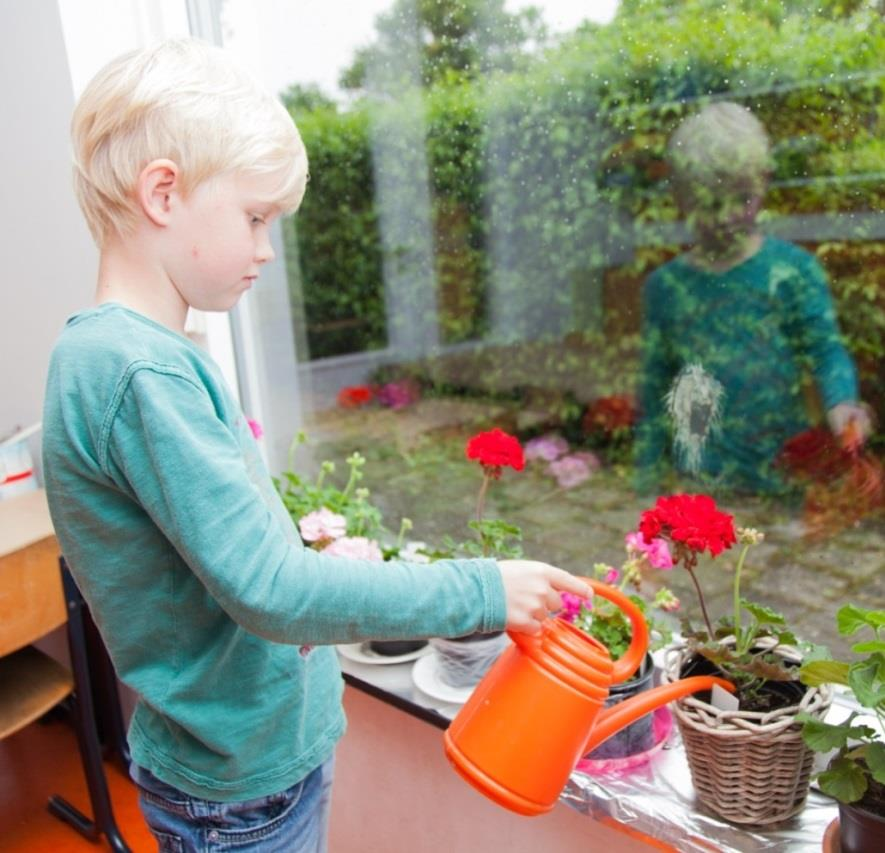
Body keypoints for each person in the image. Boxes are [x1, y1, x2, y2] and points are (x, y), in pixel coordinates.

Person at [41, 39, 591, 852]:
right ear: (163, 192)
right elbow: (269, 586)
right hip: (236, 792)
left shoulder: (144, 357)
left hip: (245, 764)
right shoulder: (137, 372)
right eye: (255, 217)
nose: (266, 248)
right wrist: (482, 590)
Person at [634, 101, 871, 497]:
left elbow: (825, 350)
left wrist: (841, 403)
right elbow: (653, 386)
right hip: (700, 480)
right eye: (711, 202)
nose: (727, 216)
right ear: (682, 197)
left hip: (784, 473)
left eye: (742, 198)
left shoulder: (793, 272)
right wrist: (644, 484)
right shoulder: (665, 287)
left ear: (764, 181)